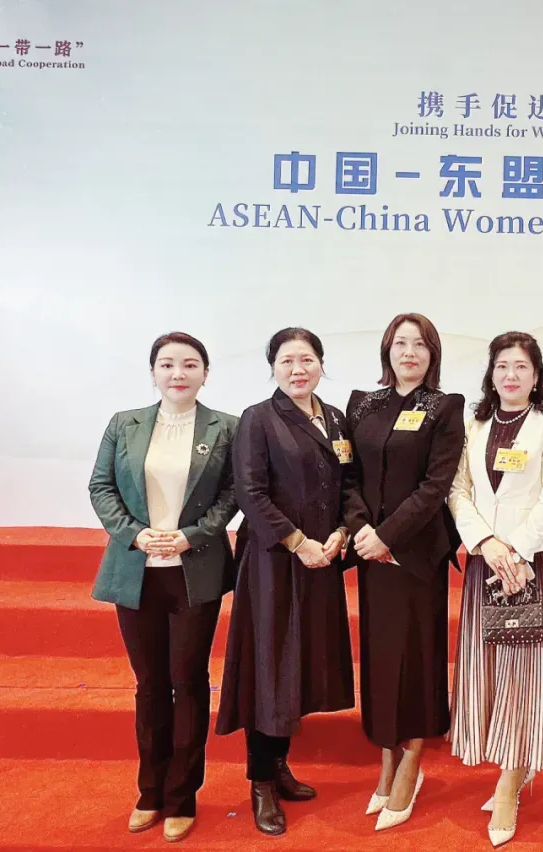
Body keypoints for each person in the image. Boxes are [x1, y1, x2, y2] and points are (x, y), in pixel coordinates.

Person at [88, 332, 238, 843]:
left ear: (205, 373)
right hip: (136, 570)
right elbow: (101, 486)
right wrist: (135, 534)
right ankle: (149, 791)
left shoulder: (226, 427)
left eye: (190, 364)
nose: (178, 373)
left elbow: (232, 493)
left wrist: (191, 535)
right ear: (153, 371)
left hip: (194, 572)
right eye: (168, 364)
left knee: (188, 681)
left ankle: (182, 796)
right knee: (149, 684)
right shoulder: (123, 424)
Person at [215, 327, 356, 837]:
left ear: (321, 363)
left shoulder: (335, 418)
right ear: (273, 367)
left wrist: (343, 531)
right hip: (274, 563)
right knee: (268, 668)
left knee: (299, 667)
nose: (298, 369)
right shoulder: (258, 418)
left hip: (322, 560)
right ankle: (260, 782)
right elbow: (249, 493)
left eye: (307, 359)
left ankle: (279, 766)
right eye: (287, 361)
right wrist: (299, 543)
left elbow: (349, 483)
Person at [448, 331, 543, 847]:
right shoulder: (473, 424)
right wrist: (487, 544)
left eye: (521, 366)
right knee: (491, 670)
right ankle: (511, 765)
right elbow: (457, 490)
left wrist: (515, 551)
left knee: (526, 673)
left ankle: (510, 781)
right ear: (491, 373)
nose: (511, 375)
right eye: (502, 366)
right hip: (486, 561)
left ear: (536, 375)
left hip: (532, 563)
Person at [343, 312, 466, 831]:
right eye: (400, 344)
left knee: (416, 657)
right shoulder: (361, 404)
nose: (409, 352)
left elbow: (436, 485)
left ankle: (412, 758)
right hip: (371, 554)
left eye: (419, 344)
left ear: (432, 353)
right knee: (380, 658)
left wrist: (388, 537)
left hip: (415, 556)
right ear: (387, 351)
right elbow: (347, 475)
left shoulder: (445, 406)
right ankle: (387, 758)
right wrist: (361, 531)